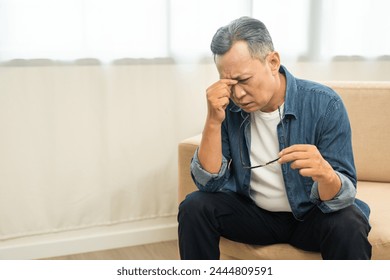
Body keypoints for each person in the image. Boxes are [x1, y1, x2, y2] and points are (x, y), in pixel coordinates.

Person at [177, 16, 371, 260]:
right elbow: (208, 184)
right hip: (255, 215)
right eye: (229, 83)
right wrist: (213, 121)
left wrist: (326, 173)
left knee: (349, 221)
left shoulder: (324, 104)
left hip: (311, 215)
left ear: (273, 62)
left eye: (244, 80)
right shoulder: (228, 108)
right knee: (194, 207)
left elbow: (343, 196)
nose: (238, 93)